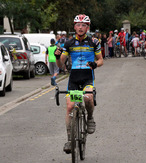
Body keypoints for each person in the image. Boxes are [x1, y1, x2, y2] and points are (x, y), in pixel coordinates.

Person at [54, 14, 103, 154]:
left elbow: (101, 60)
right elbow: (60, 64)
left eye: (83, 25)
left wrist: (95, 64)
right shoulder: (68, 43)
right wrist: (58, 57)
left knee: (88, 97)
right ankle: (70, 140)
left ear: (87, 27)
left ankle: (90, 117)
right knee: (70, 107)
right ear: (74, 26)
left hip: (87, 77)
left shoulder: (94, 42)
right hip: (74, 79)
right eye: (78, 25)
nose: (80, 28)